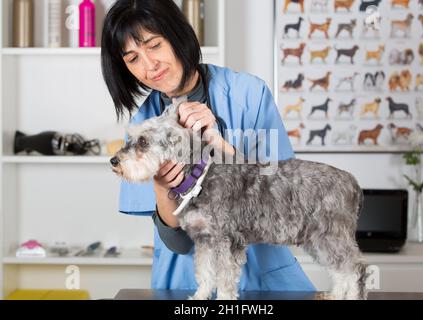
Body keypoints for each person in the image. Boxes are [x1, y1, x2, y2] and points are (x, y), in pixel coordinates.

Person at [101, 0, 315, 292]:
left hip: (261, 274)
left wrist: (223, 147)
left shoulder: (249, 95)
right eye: (133, 58)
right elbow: (176, 241)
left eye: (154, 45)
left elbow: (285, 197)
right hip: (187, 280)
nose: (150, 66)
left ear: (178, 35)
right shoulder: (143, 128)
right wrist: (164, 191)